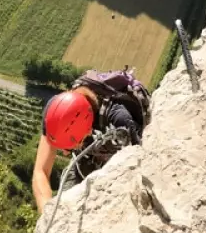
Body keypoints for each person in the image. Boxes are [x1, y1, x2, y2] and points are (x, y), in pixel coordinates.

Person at [32, 70, 151, 213]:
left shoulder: (119, 119)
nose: (65, 153)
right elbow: (40, 171)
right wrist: (47, 214)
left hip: (117, 161)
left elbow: (143, 163)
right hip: (87, 160)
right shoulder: (57, 115)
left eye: (69, 148)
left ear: (88, 131)